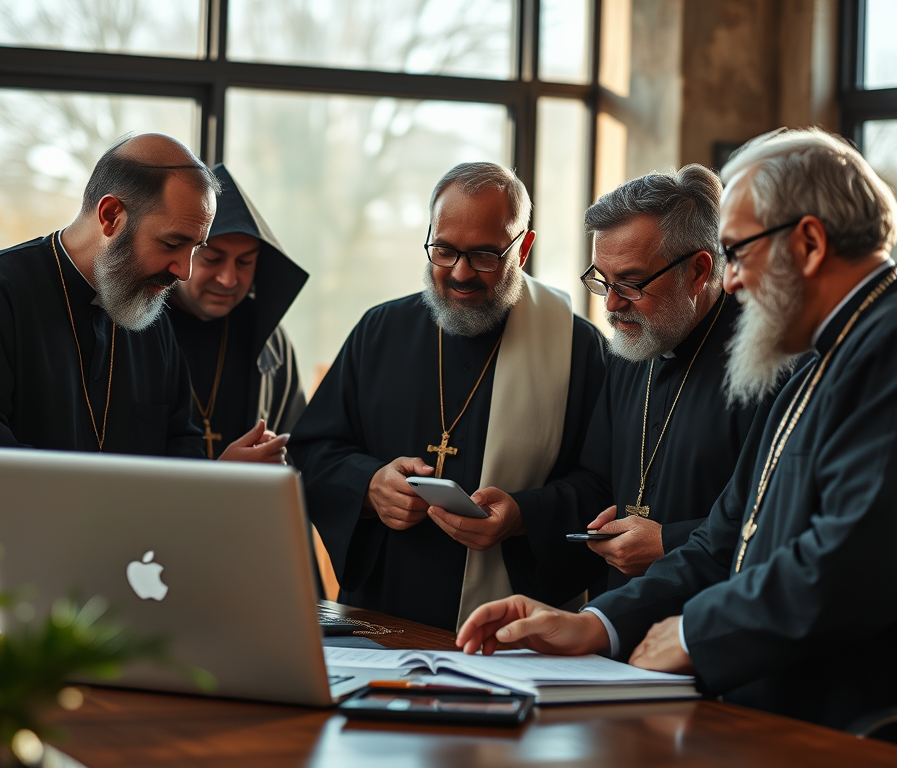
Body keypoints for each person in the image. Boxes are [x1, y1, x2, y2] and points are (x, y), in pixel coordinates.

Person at [456, 128, 897, 733]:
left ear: (810, 243)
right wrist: (597, 624)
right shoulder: (828, 354)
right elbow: (726, 540)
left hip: (855, 729)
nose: (732, 283)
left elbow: (855, 567)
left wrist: (693, 629)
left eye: (738, 253)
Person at [290, 162, 606, 632]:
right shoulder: (380, 331)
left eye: (483, 255)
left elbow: (604, 485)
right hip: (384, 615)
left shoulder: (576, 348)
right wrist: (369, 486)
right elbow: (312, 452)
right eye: (444, 250)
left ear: (524, 247)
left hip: (513, 627)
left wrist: (524, 516)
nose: (460, 273)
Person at [474, 165, 778, 604]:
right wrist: (522, 513)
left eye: (631, 284)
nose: (612, 305)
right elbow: (599, 482)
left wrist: (668, 542)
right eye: (601, 280)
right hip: (616, 618)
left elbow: (782, 515)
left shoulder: (769, 364)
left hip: (709, 622)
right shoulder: (632, 348)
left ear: (697, 270)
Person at [0, 134, 289, 491]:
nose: (185, 270)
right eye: (173, 243)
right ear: (111, 215)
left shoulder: (148, 315)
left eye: (195, 248)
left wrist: (219, 478)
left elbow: (179, 447)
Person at [167, 163, 308, 459]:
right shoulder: (136, 328)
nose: (229, 279)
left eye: (245, 262)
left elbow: (303, 448)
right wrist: (218, 477)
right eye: (213, 259)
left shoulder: (270, 338)